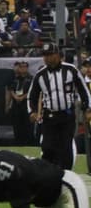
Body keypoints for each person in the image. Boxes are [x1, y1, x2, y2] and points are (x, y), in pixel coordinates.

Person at [28, 42, 90, 170]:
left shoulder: (71, 70)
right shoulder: (40, 75)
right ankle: (48, 172)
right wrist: (32, 111)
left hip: (67, 115)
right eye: (45, 55)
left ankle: (66, 173)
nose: (46, 58)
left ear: (57, 55)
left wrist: (87, 108)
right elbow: (31, 95)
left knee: (66, 146)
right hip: (49, 115)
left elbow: (83, 90)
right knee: (47, 146)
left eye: (49, 55)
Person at [7, 60, 34, 145]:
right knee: (17, 124)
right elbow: (11, 89)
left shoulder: (31, 78)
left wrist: (23, 97)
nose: (22, 69)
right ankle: (18, 142)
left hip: (26, 104)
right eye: (21, 67)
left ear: (27, 68)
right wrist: (15, 96)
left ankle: (28, 143)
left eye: (24, 67)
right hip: (16, 104)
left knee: (27, 124)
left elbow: (32, 91)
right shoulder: (15, 78)